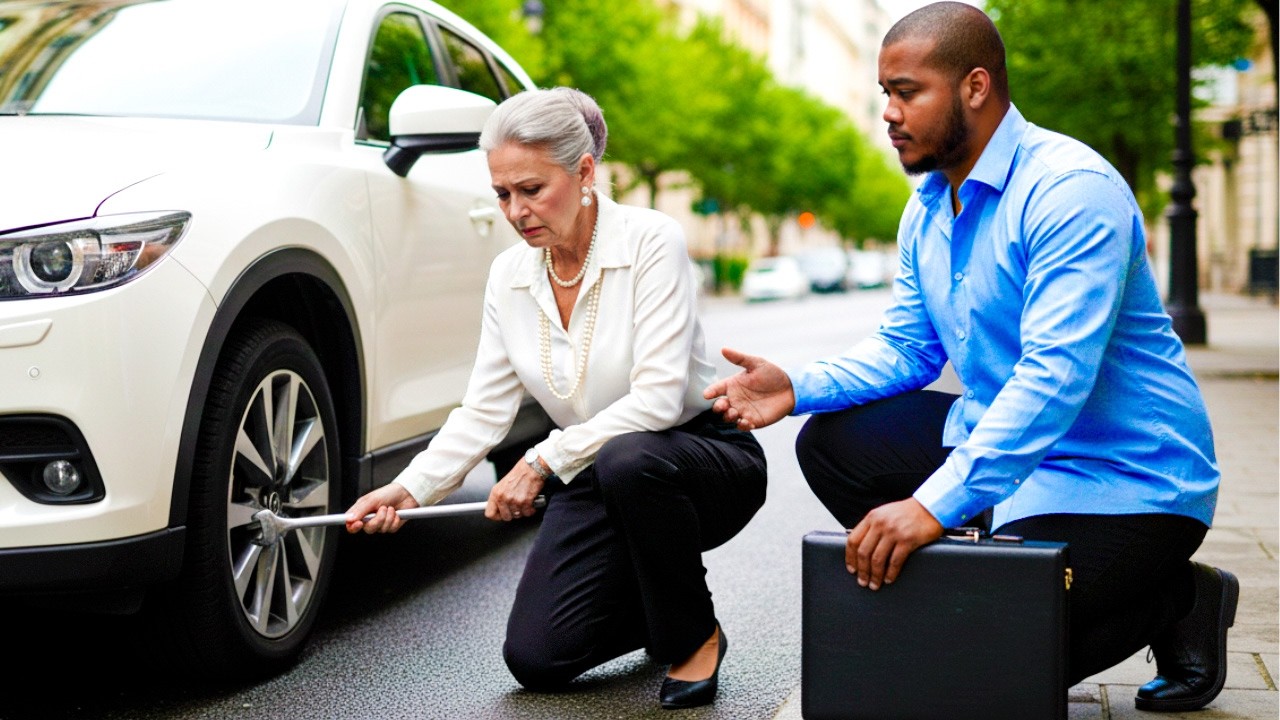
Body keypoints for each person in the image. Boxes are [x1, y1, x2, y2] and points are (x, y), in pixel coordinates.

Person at [704, 2, 1236, 712]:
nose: (888, 114)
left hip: (1128, 480)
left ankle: (1177, 595)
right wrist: (795, 386)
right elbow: (907, 347)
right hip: (1011, 456)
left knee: (981, 672)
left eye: (906, 92)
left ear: (975, 87)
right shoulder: (927, 206)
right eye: (884, 94)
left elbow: (1054, 379)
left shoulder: (1071, 193)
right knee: (836, 443)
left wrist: (931, 507)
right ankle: (980, 574)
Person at [345, 87, 766, 711]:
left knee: (630, 458)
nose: (516, 211)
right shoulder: (509, 275)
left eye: (532, 190)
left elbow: (654, 400)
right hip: (596, 470)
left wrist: (541, 462)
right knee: (537, 657)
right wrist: (408, 491)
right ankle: (662, 601)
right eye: (502, 194)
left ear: (584, 172)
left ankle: (693, 634)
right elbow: (485, 409)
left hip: (696, 460)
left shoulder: (653, 241)